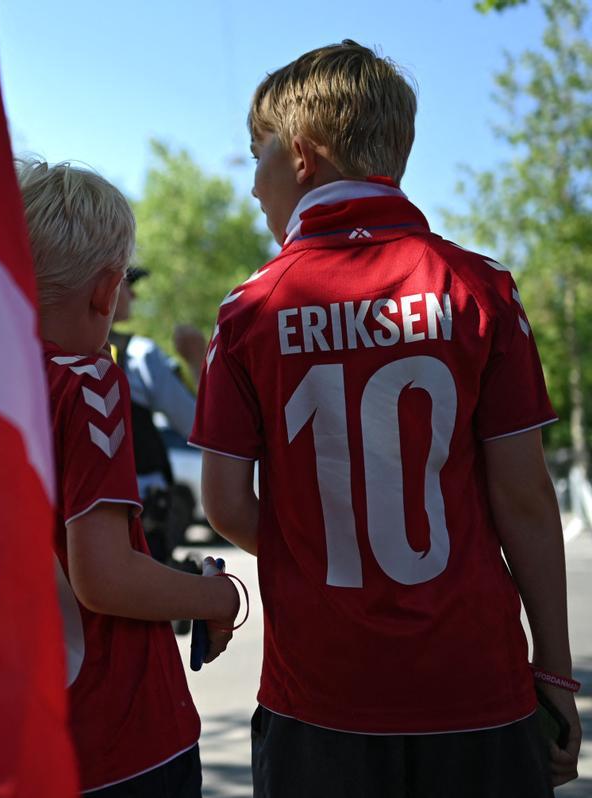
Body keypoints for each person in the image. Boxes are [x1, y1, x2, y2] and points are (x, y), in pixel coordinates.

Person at [191, 40, 581, 797]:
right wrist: (555, 671)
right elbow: (526, 499)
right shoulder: (481, 289)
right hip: (476, 688)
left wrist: (325, 552)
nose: (253, 184)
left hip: (320, 697)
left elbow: (227, 504)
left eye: (257, 155)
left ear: (301, 156)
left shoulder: (250, 311)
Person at [17, 157, 243, 796]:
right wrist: (218, 599)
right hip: (120, 736)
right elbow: (105, 577)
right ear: (106, 290)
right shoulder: (87, 382)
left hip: (23, 731)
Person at [109, 269, 205, 562]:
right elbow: (199, 426)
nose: (134, 295)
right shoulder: (140, 354)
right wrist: (198, 361)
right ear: (106, 287)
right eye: (128, 284)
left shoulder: (44, 350)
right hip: (141, 517)